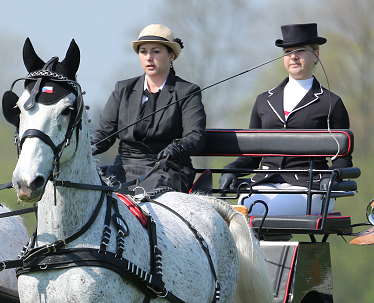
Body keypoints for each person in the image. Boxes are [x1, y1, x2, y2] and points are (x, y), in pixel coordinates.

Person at [218, 23, 352, 216]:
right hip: (265, 183)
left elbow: (342, 157)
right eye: (288, 52)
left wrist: (333, 176)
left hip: (311, 188)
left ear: (316, 56)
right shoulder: (264, 100)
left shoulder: (331, 102)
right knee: (241, 208)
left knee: (256, 211)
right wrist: (232, 169)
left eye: (300, 51)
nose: (293, 57)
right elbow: (251, 153)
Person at [91, 24, 207, 193]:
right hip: (123, 168)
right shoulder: (122, 89)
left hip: (167, 168)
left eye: (156, 51)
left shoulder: (187, 91)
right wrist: (86, 146)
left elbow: (196, 136)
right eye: (143, 51)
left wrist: (178, 147)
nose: (149, 57)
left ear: (171, 55)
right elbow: (104, 134)